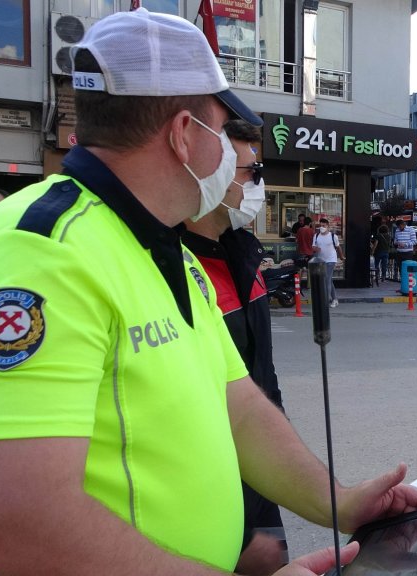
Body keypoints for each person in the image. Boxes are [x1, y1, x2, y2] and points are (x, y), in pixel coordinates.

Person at [0, 10, 417, 575]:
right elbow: (15, 524)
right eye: (221, 131)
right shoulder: (39, 254)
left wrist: (340, 502)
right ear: (181, 134)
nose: (228, 152)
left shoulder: (162, 248)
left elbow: (239, 407)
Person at [180, 119, 288, 574]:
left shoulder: (243, 254)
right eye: (251, 172)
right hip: (209, 486)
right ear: (213, 173)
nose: (258, 185)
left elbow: (263, 374)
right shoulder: (172, 264)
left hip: (261, 470)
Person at [312, 217, 345, 308]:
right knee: (329, 280)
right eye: (320, 225)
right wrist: (316, 249)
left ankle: (325, 301)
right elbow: (313, 247)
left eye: (323, 225)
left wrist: (341, 256)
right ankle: (335, 299)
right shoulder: (317, 236)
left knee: (326, 279)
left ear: (327, 226)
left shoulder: (332, 236)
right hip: (321, 260)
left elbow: (338, 247)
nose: (321, 227)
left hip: (331, 260)